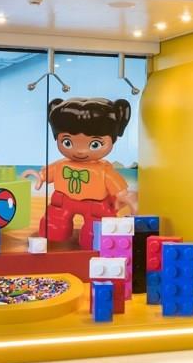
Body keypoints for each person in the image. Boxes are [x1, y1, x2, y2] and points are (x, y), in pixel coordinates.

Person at [23, 97, 135, 249]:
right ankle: (55, 235)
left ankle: (92, 242)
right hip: (62, 201)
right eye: (67, 142)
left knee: (95, 233)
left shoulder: (104, 170)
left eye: (94, 144)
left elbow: (120, 190)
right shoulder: (62, 165)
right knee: (53, 224)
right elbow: (47, 173)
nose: (80, 151)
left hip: (95, 206)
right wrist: (40, 177)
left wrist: (124, 197)